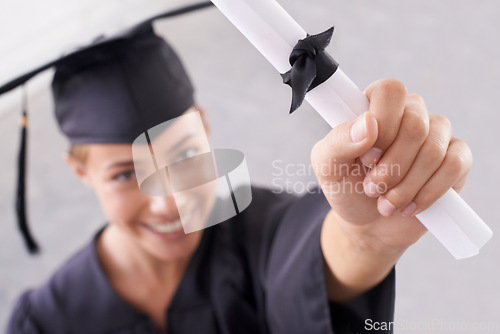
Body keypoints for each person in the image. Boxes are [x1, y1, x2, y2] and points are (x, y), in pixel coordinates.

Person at [2, 7, 472, 334]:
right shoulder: (45, 323)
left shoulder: (262, 231)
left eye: (184, 156)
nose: (170, 201)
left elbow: (317, 254)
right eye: (126, 174)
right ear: (80, 172)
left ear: (204, 127)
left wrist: (366, 239)